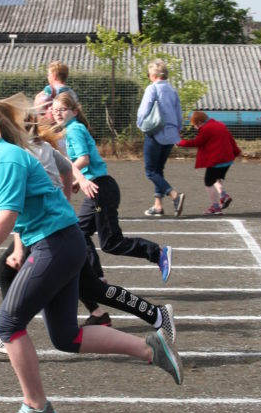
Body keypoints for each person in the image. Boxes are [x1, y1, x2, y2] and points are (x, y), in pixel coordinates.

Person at [0, 98, 183, 413]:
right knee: (66, 338)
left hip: (55, 244)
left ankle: (36, 407)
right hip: (59, 243)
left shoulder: (6, 157)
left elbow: (6, 216)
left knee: (9, 323)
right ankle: (152, 348)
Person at [0, 95, 175, 353]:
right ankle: (154, 314)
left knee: (5, 269)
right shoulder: (27, 149)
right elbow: (65, 170)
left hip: (50, 234)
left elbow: (16, 207)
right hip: (57, 231)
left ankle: (10, 335)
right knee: (92, 288)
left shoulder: (19, 154)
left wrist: (17, 246)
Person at [52, 91, 173, 282]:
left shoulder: (74, 130)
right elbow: (84, 163)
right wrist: (78, 180)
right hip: (97, 188)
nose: (57, 113)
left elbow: (84, 159)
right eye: (54, 110)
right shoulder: (73, 129)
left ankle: (157, 253)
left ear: (74, 111)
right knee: (79, 232)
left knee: (111, 242)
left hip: (101, 190)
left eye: (62, 109)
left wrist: (70, 174)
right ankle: (96, 276)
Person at [137, 59, 185, 217]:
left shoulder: (152, 89)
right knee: (159, 170)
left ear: (153, 74)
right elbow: (179, 114)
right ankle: (158, 206)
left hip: (156, 132)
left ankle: (174, 195)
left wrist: (140, 124)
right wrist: (179, 130)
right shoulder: (173, 90)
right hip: (171, 135)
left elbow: (144, 110)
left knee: (150, 171)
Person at [178, 110, 242, 214]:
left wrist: (180, 142)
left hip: (217, 160)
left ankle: (216, 207)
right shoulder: (220, 124)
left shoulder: (206, 129)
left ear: (199, 122)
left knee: (208, 182)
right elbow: (231, 140)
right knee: (216, 178)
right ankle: (223, 195)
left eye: (194, 125)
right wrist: (237, 152)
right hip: (227, 160)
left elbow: (196, 142)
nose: (195, 128)